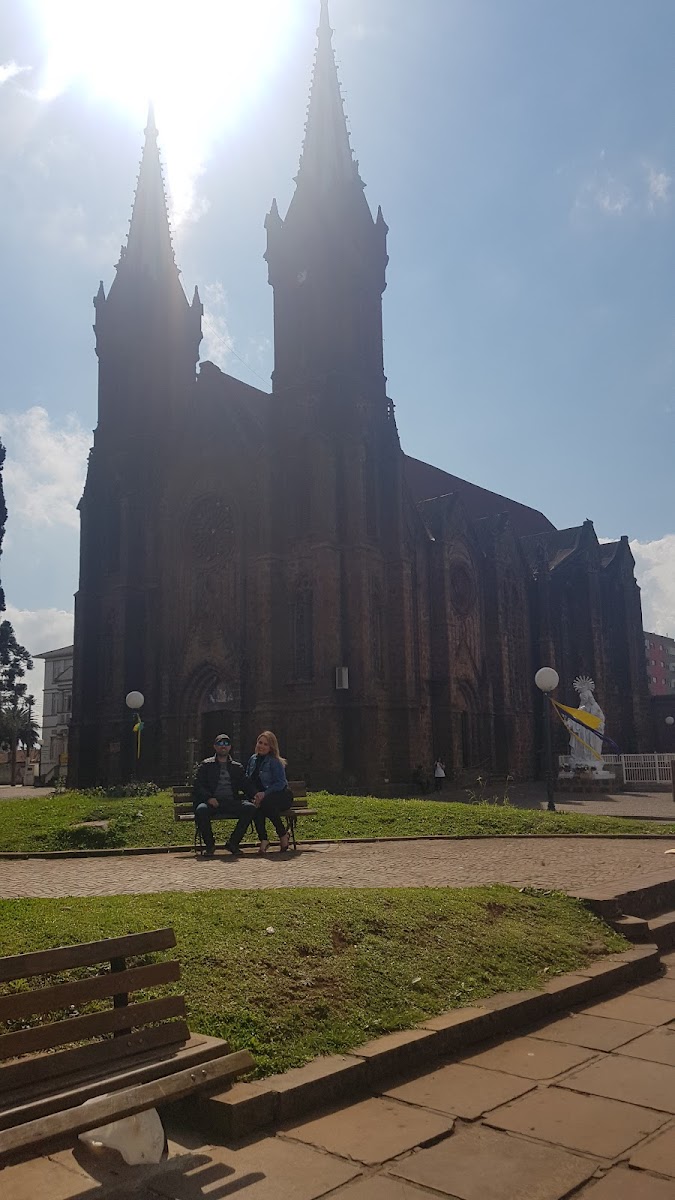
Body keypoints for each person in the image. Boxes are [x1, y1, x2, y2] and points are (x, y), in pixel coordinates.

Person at [192, 734, 257, 858]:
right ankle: (210, 845)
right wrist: (209, 798)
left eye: (226, 744)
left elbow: (246, 784)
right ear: (215, 747)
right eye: (220, 743)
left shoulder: (237, 767)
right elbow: (198, 785)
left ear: (230, 747)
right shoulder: (206, 765)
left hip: (231, 801)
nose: (223, 746)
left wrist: (255, 794)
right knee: (201, 810)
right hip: (213, 802)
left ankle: (233, 843)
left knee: (250, 808)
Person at [246, 730, 293, 854]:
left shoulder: (274, 761)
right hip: (261, 797)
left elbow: (281, 783)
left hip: (281, 796)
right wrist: (254, 794)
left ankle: (282, 834)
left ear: (271, 747)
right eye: (260, 743)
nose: (261, 746)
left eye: (265, 744)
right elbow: (248, 780)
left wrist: (264, 793)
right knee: (255, 807)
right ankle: (264, 839)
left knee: (265, 803)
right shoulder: (252, 760)